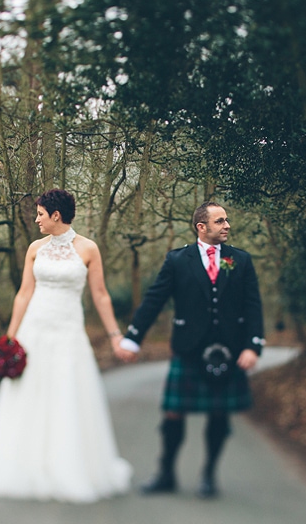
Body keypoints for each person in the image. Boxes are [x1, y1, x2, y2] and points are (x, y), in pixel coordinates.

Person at [0, 189, 132, 503]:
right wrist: (10, 337)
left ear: (56, 215)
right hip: (35, 331)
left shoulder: (88, 248)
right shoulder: (35, 249)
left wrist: (115, 334)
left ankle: (70, 469)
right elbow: (23, 293)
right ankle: (29, 467)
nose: (37, 220)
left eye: (40, 214)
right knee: (30, 396)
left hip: (68, 332)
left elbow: (100, 294)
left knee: (66, 396)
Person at [112, 201, 265, 499]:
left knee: (219, 415)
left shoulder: (240, 260)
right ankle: (166, 473)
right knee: (173, 413)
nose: (227, 225)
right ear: (201, 226)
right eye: (220, 221)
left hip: (229, 350)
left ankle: (208, 474)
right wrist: (132, 338)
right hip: (188, 349)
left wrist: (253, 345)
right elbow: (154, 300)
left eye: (227, 220)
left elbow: (252, 304)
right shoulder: (177, 260)